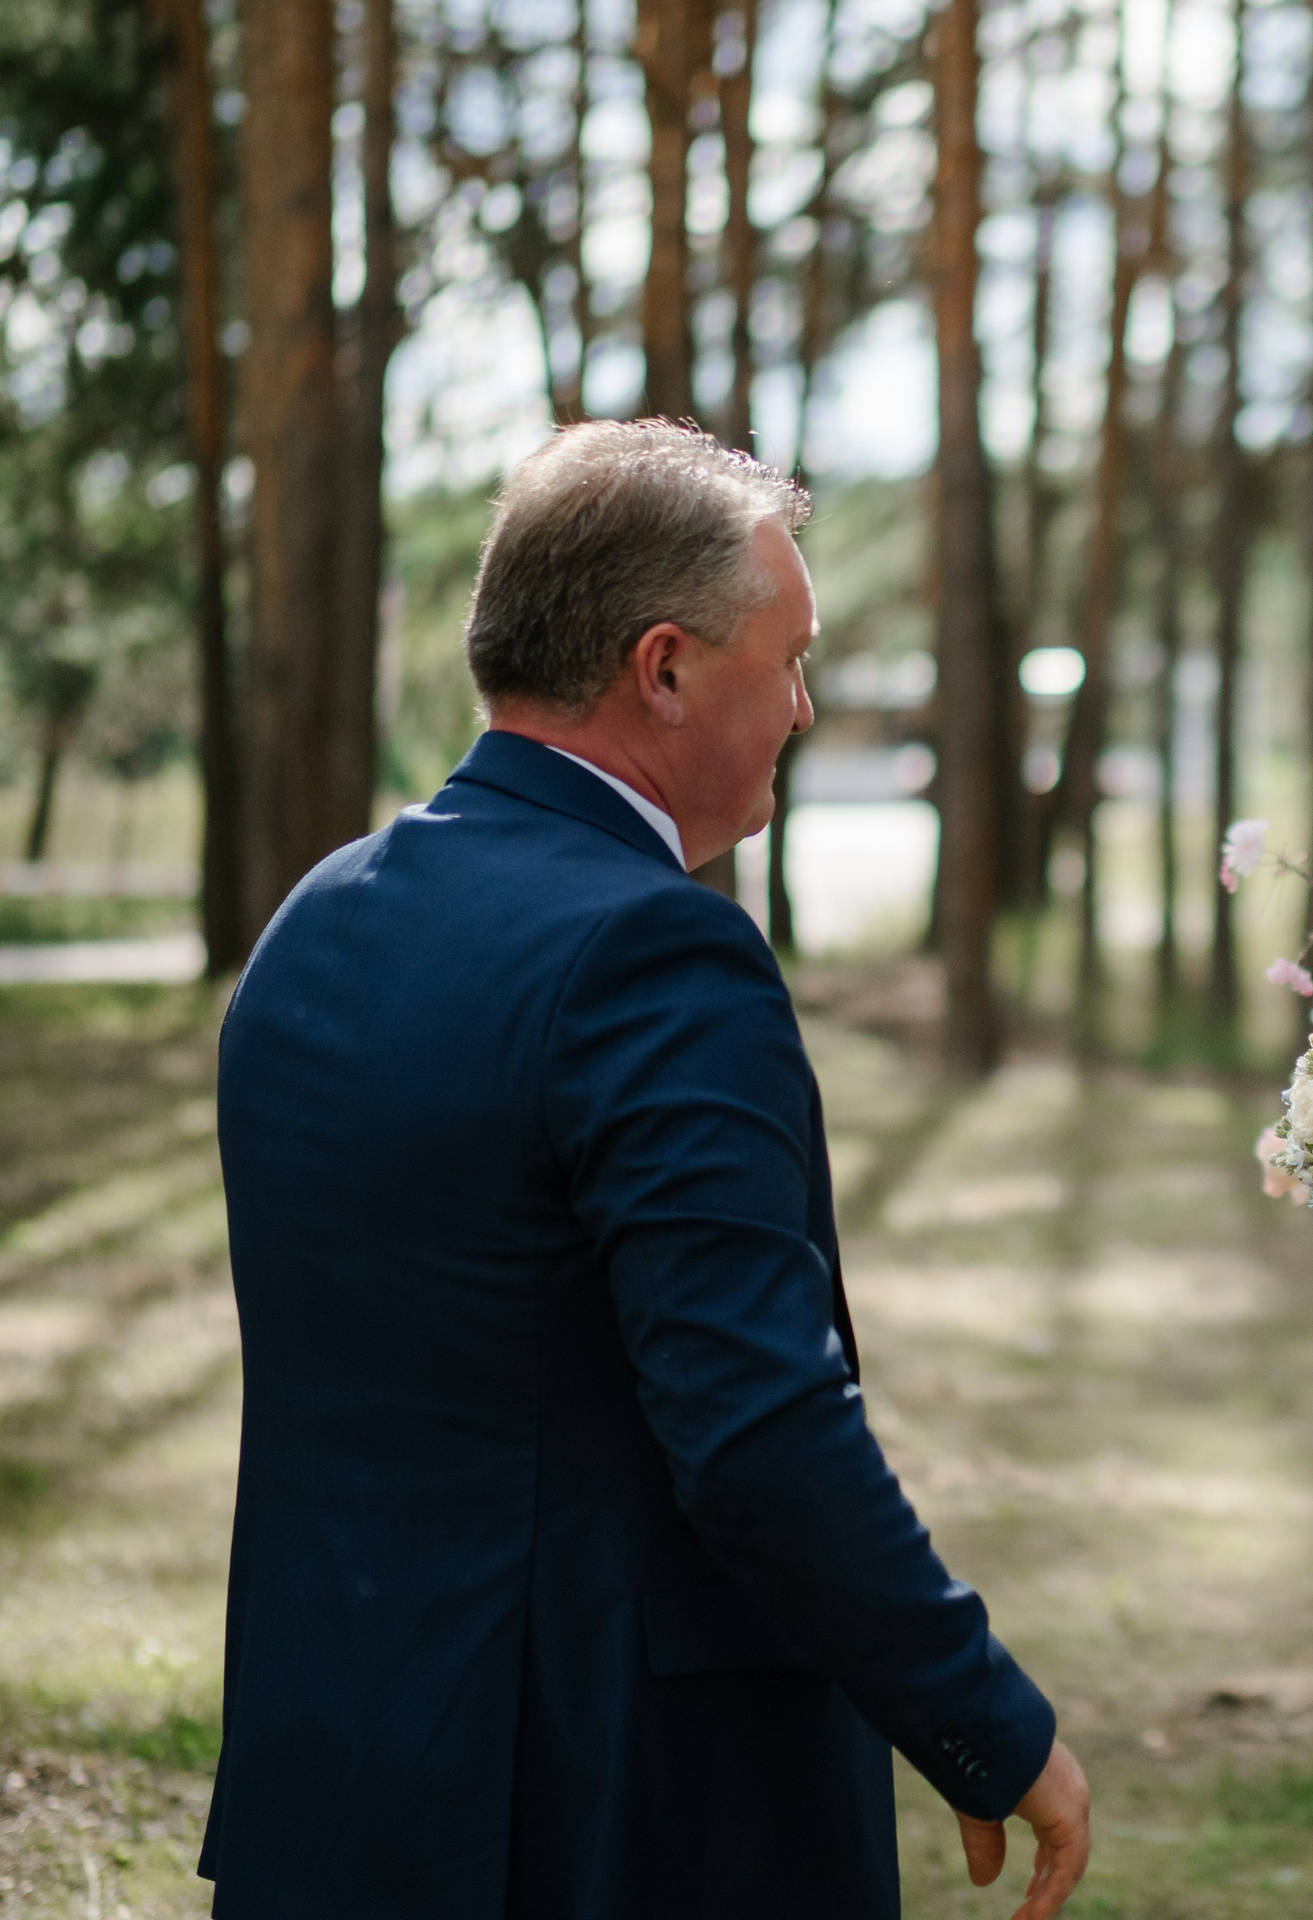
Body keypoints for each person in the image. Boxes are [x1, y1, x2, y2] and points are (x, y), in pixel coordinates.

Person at [202, 421, 1089, 1920]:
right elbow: (756, 1426)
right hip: (607, 1803)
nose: (806, 708)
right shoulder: (653, 950)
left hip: (338, 1774)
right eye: (789, 659)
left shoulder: (316, 921)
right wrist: (981, 1719)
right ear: (664, 667)